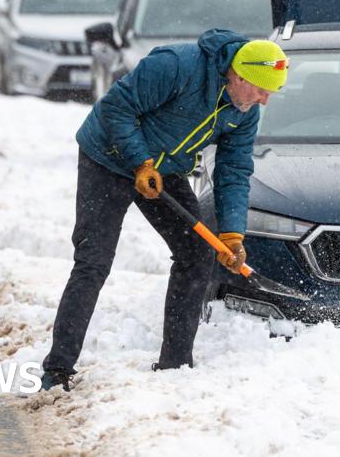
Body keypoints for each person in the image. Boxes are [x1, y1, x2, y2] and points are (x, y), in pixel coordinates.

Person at [40, 29, 289, 391]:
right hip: (107, 157)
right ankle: (58, 368)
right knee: (94, 260)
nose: (264, 100)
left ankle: (175, 364)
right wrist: (140, 161)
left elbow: (233, 170)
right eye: (261, 89)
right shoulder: (177, 66)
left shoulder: (243, 112)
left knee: (196, 252)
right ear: (237, 75)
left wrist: (232, 233)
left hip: (163, 169)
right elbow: (115, 108)